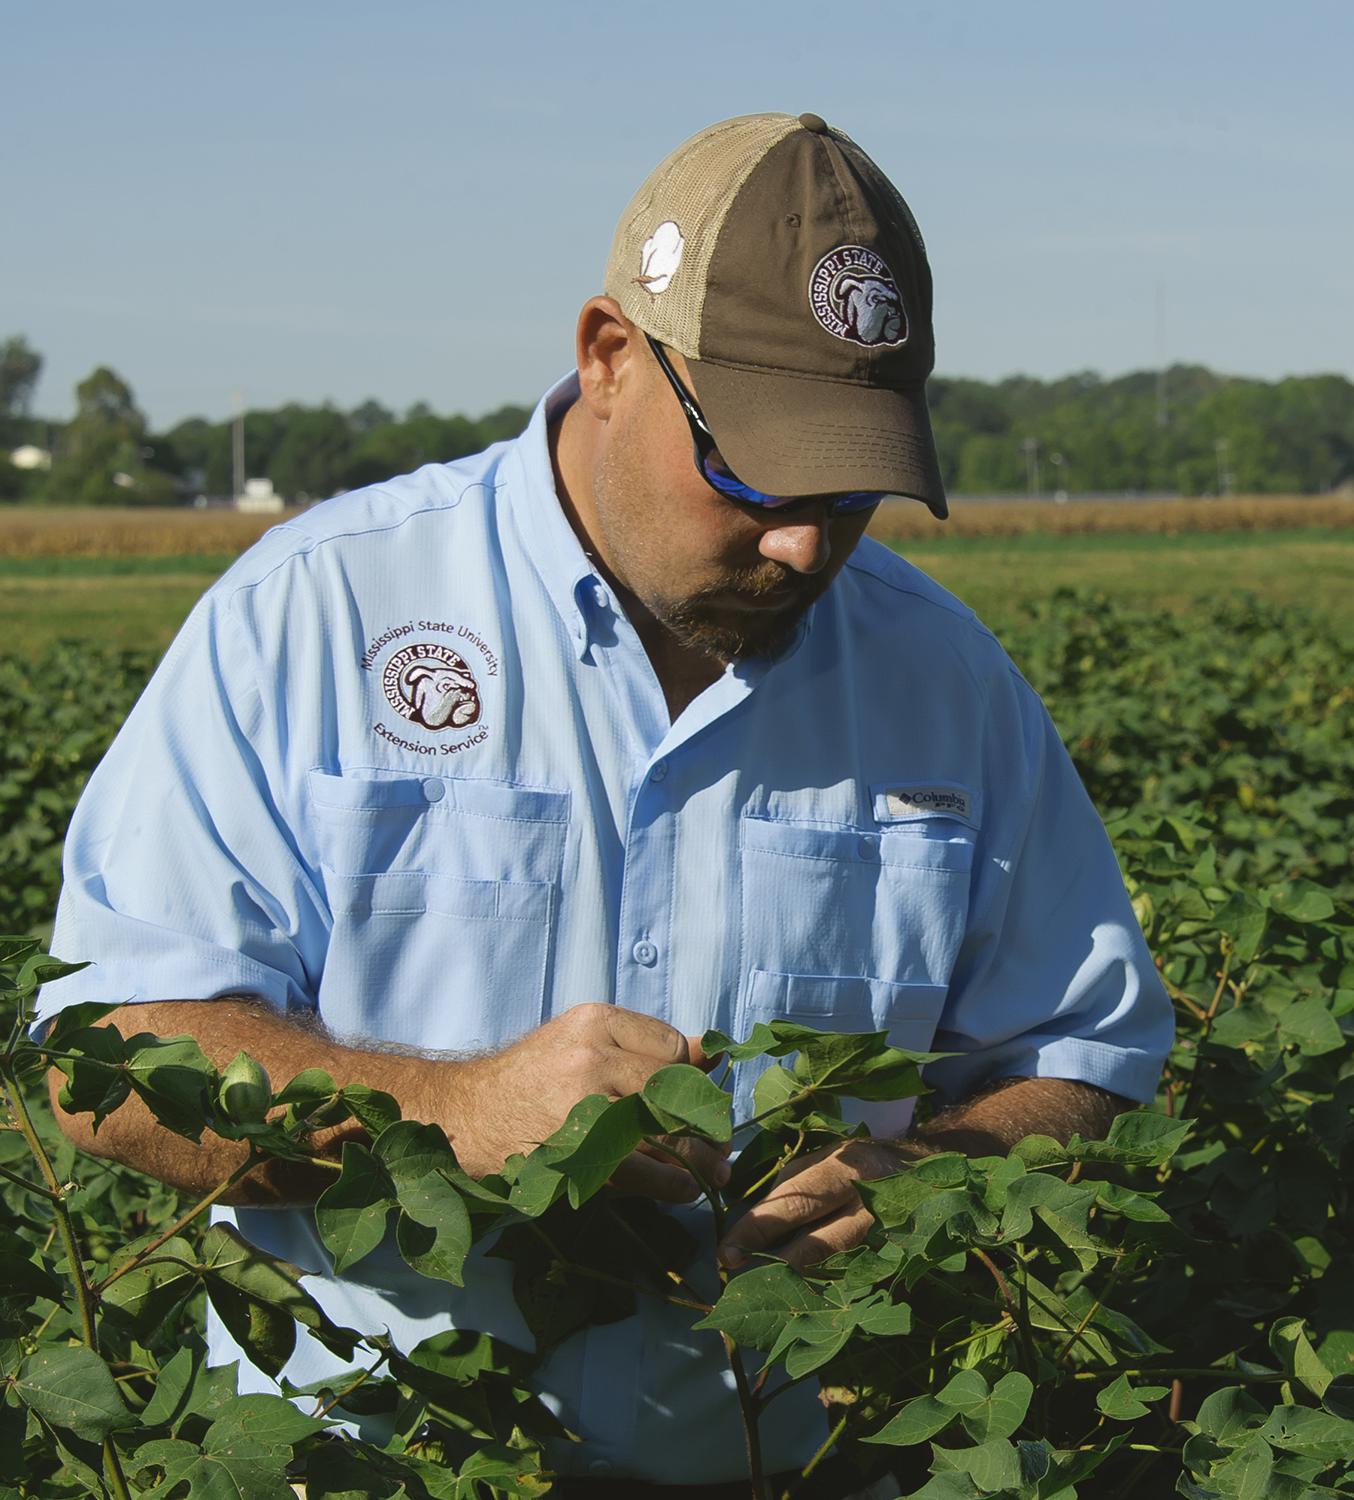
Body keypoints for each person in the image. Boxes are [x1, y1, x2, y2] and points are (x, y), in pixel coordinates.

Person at [39, 112, 1172, 1494]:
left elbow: (1089, 1063)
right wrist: (450, 1115)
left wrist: (932, 1170)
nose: (806, 540)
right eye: (755, 468)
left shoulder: (943, 681)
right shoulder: (316, 618)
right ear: (609, 356)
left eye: (855, 486)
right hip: (381, 1470)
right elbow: (109, 1059)